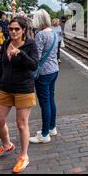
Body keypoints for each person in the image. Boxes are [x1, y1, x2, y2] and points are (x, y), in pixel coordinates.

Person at [0, 17, 38, 174]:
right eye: (11, 28)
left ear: (23, 30)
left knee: (21, 124)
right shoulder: (5, 43)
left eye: (17, 29)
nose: (13, 31)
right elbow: (1, 67)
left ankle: (24, 156)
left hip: (24, 88)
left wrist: (21, 54)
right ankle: (7, 145)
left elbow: (34, 65)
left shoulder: (30, 44)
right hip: (5, 88)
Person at [30, 9, 59, 145]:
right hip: (54, 70)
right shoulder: (53, 32)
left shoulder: (40, 35)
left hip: (43, 73)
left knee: (44, 103)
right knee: (51, 100)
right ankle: (51, 128)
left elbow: (37, 56)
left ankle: (44, 134)